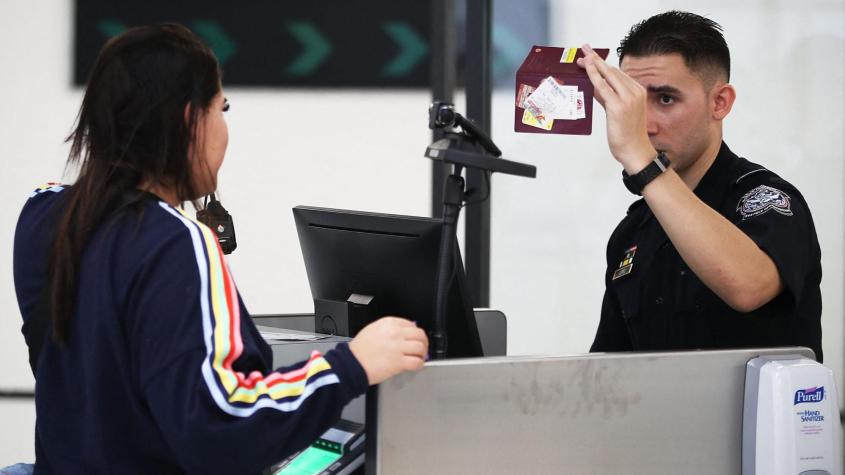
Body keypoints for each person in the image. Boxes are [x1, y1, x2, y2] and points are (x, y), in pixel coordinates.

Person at [12, 24, 428, 474]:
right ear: (190, 121)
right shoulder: (175, 243)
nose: (224, 128)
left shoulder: (44, 214)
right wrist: (352, 365)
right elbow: (220, 427)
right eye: (221, 108)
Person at [577, 11, 822, 360]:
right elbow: (607, 372)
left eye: (665, 99)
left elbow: (748, 286)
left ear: (719, 102)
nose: (643, 124)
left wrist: (643, 163)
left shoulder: (765, 199)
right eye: (633, 103)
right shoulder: (632, 232)